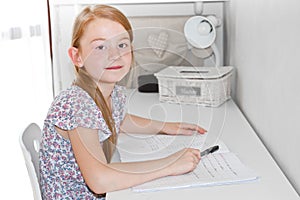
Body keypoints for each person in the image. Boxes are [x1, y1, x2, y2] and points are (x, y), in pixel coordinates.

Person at [39, 4, 207, 199]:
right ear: (77, 56)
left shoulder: (111, 92)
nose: (115, 55)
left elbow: (118, 119)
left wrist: (165, 127)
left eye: (122, 45)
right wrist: (169, 164)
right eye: (100, 47)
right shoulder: (78, 105)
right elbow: (99, 181)